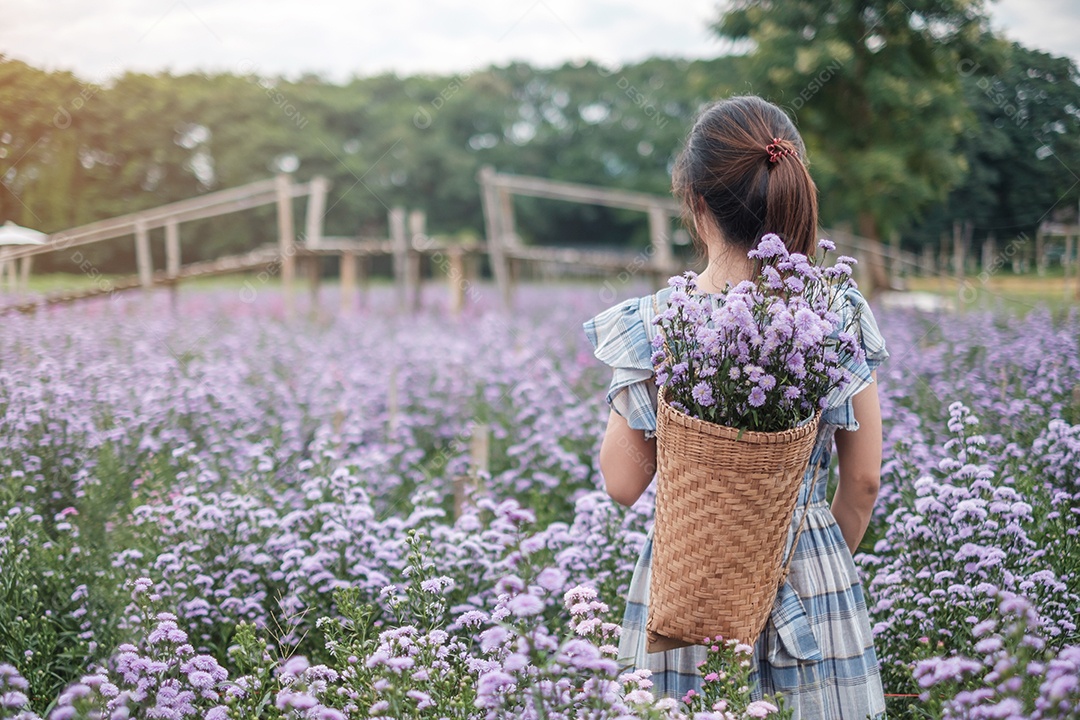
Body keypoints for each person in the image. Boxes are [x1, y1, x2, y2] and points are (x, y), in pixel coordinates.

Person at [582, 96, 889, 719]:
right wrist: (812, 558)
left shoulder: (659, 324)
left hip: (689, 586)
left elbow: (620, 482)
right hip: (808, 578)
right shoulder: (838, 313)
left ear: (696, 202)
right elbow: (863, 481)